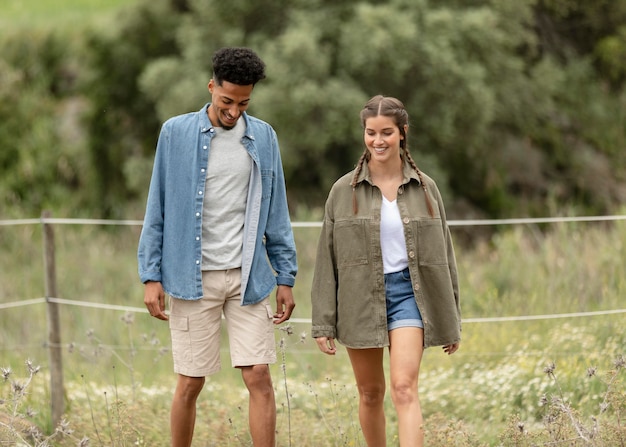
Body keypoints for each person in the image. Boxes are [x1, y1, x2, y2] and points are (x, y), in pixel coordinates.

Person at [137, 47, 297, 447]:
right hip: (192, 278)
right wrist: (150, 275)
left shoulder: (264, 136)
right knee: (191, 381)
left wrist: (286, 276)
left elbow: (277, 211)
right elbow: (157, 205)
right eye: (227, 101)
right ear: (211, 87)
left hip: (249, 278)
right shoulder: (175, 132)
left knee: (258, 375)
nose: (234, 111)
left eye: (244, 103)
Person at [311, 95, 461, 446]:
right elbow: (326, 259)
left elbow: (444, 255)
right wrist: (323, 320)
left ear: (402, 133)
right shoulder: (341, 191)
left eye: (387, 132)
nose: (378, 140)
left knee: (404, 388)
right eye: (371, 132)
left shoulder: (425, 188)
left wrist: (451, 315)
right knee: (370, 392)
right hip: (359, 298)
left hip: (411, 296)